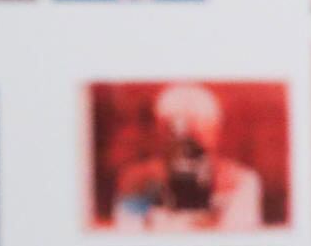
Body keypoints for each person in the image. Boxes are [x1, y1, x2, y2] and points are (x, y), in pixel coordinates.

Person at [113, 84, 264, 231]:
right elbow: (128, 234)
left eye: (197, 138)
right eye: (177, 139)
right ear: (160, 135)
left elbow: (238, 243)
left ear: (215, 133)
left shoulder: (241, 180)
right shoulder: (137, 181)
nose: (187, 151)